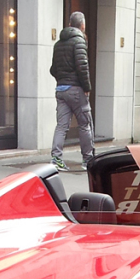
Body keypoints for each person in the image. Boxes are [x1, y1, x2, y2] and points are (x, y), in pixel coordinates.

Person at [49, 11, 93, 171]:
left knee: (61, 125)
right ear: (82, 26)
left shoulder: (58, 44)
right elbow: (83, 67)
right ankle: (88, 160)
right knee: (84, 124)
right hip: (76, 89)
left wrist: (62, 79)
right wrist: (86, 87)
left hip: (60, 89)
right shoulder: (79, 41)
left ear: (69, 25)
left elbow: (53, 69)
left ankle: (56, 159)